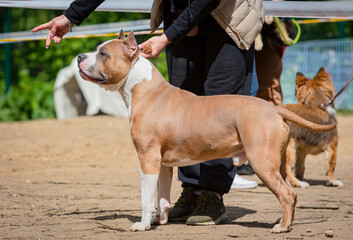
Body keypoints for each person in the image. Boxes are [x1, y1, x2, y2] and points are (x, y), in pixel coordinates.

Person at [32, 0, 264, 226]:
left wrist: (166, 37)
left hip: (229, 22)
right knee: (180, 116)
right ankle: (192, 190)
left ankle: (212, 195)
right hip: (182, 23)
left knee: (219, 110)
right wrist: (71, 16)